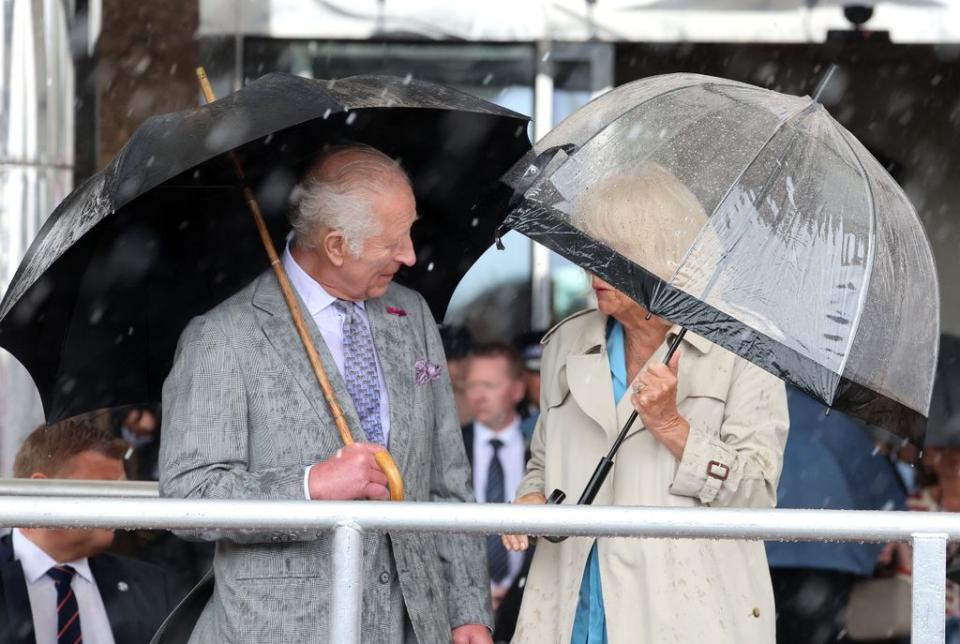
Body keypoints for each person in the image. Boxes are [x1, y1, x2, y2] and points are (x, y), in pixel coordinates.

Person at [159, 144, 492, 644]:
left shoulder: (414, 315)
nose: (409, 254)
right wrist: (312, 485)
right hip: (283, 630)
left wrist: (467, 610)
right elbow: (189, 495)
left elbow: (447, 477)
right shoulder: (221, 337)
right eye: (393, 241)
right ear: (336, 246)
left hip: (414, 628)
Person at [501, 163, 790, 643]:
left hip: (685, 613)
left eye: (612, 254)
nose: (590, 268)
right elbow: (543, 463)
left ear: (663, 257)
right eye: (589, 249)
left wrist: (673, 426)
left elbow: (756, 491)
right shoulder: (564, 344)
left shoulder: (742, 351)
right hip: (569, 605)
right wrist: (530, 498)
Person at [0, 420, 177, 644]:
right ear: (41, 491)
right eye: (105, 490)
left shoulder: (152, 586)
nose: (121, 506)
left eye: (125, 493)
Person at [765, 386, 907, 644]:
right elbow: (887, 501)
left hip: (764, 563)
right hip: (837, 571)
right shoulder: (841, 424)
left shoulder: (763, 412)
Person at [460, 343, 531, 640]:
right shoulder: (451, 445)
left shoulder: (542, 447)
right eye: (472, 385)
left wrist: (515, 590)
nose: (478, 395)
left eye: (489, 385)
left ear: (516, 390)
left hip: (528, 599)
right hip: (464, 607)